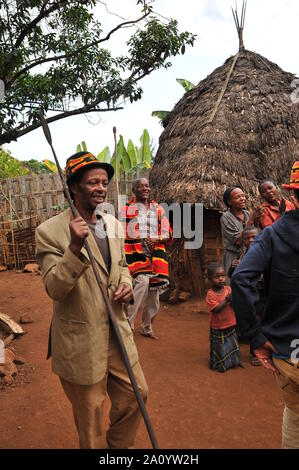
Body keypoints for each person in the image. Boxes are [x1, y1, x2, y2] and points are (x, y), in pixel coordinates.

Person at [35, 151, 147, 449]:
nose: (100, 187)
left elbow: (121, 267)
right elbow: (54, 288)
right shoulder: (49, 232)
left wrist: (125, 283)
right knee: (91, 419)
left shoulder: (112, 224)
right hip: (81, 341)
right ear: (73, 187)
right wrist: (73, 248)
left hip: (117, 333)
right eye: (92, 182)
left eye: (104, 182)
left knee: (137, 396)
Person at [231, 161, 299, 449]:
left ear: (292, 194)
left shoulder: (273, 234)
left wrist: (256, 337)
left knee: (295, 416)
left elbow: (241, 278)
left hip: (288, 349)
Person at [121, 177, 172, 340]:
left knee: (154, 296)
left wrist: (158, 238)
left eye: (147, 186)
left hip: (156, 257)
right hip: (136, 256)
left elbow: (168, 232)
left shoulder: (158, 208)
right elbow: (121, 232)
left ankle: (147, 327)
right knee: (141, 285)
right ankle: (127, 325)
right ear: (133, 190)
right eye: (141, 186)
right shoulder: (126, 209)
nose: (145, 189)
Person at [228, 226, 264, 366]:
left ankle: (265, 348)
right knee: (252, 321)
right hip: (247, 296)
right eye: (247, 238)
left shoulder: (265, 255)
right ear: (243, 241)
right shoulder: (241, 257)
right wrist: (233, 267)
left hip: (262, 295)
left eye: (254, 237)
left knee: (263, 321)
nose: (251, 240)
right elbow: (232, 276)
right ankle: (255, 352)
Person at [205, 262, 241, 373]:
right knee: (220, 346)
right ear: (210, 279)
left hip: (230, 322)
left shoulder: (228, 289)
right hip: (218, 325)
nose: (221, 279)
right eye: (217, 277)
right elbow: (215, 309)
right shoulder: (210, 294)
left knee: (232, 343)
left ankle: (234, 362)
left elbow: (235, 304)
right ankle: (220, 364)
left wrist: (234, 299)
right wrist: (226, 300)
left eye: (223, 276)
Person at [220, 186, 261, 278]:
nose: (242, 199)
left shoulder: (247, 213)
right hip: (233, 257)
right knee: (233, 282)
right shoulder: (226, 217)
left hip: (247, 255)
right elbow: (238, 242)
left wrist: (256, 220)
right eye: (237, 197)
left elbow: (256, 233)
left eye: (243, 196)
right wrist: (251, 221)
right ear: (229, 202)